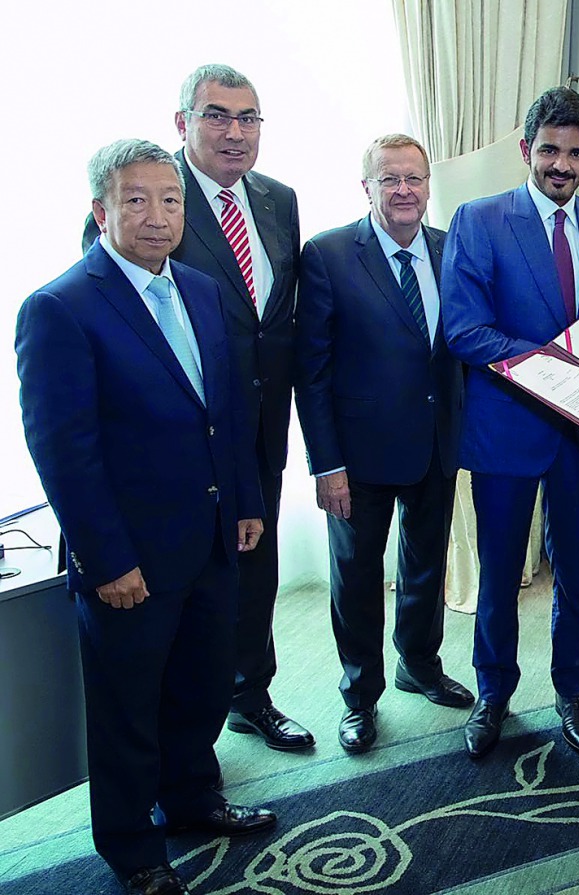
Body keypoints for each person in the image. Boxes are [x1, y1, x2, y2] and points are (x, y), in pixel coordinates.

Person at [17, 139, 276, 895]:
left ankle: (194, 800)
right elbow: (65, 452)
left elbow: (224, 410)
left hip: (211, 535)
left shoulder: (198, 287)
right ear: (102, 210)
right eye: (137, 200)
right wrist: (105, 559)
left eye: (170, 199)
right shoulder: (59, 307)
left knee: (199, 686)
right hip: (128, 555)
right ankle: (133, 847)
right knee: (128, 709)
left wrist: (247, 502)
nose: (158, 215)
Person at [83, 63, 310, 752]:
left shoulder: (279, 198)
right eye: (217, 115)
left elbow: (277, 316)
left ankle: (252, 694)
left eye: (249, 118)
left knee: (254, 564)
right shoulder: (149, 200)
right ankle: (178, 740)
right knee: (180, 591)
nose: (234, 132)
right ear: (182, 122)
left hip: (259, 428)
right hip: (178, 442)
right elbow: (108, 321)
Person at [441, 86, 579, 759]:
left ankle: (574, 690)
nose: (562, 164)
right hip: (507, 428)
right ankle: (494, 694)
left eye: (576, 153)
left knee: (574, 573)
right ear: (527, 149)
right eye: (550, 150)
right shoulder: (478, 218)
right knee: (500, 577)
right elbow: (464, 330)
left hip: (578, 437)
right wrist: (549, 365)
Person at [293, 134, 471, 754]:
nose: (403, 191)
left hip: (435, 446)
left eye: (414, 179)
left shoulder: (454, 250)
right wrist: (327, 465)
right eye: (389, 179)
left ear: (428, 185)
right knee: (358, 576)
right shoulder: (328, 254)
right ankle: (359, 695)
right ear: (365, 187)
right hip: (358, 459)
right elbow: (309, 372)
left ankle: (418, 664)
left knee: (425, 567)